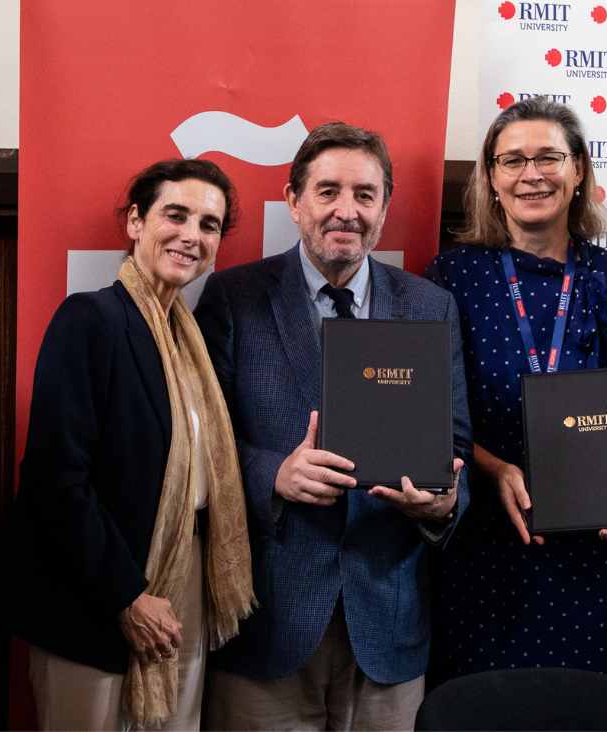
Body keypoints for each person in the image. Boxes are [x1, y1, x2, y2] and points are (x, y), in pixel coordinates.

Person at [195, 122, 472, 731]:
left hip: (390, 627)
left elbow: (455, 448)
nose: (346, 211)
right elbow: (201, 446)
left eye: (364, 195)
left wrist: (443, 503)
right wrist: (275, 474)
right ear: (293, 201)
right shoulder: (233, 297)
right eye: (327, 191)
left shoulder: (429, 306)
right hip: (266, 623)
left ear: (385, 208)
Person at [10, 159, 256, 730]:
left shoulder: (188, 340)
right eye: (176, 214)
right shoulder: (90, 319)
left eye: (209, 224)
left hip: (186, 575)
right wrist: (126, 596)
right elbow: (55, 482)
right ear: (136, 222)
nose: (191, 235)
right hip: (100, 592)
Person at [425, 97, 607, 686]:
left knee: (587, 711)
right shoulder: (451, 276)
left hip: (588, 551)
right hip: (483, 544)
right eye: (513, 160)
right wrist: (494, 468)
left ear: (578, 170)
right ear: (492, 178)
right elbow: (432, 414)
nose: (532, 174)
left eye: (549, 157)